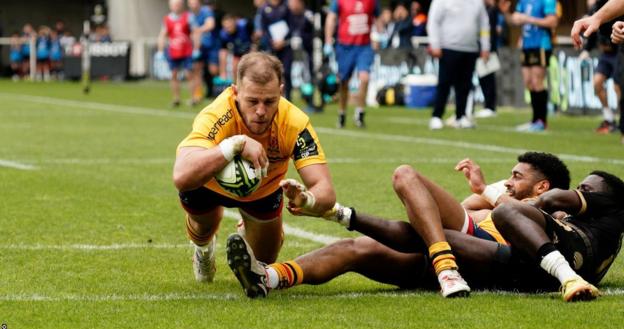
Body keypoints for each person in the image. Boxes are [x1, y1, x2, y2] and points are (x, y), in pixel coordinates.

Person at [226, 152, 572, 298]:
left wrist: (486, 191)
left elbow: (540, 232)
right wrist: (483, 195)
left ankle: (444, 265)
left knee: (406, 175)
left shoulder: (551, 208)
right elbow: (441, 214)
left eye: (517, 176)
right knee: (356, 250)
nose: (508, 181)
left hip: (489, 256)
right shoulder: (497, 198)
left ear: (542, 186)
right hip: (451, 251)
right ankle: (268, 278)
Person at [172, 52, 336, 287]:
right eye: (252, 101)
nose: (260, 110)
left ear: (281, 92)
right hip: (209, 185)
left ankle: (246, 231)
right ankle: (203, 249)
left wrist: (306, 199)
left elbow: (326, 191)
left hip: (263, 191)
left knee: (263, 260)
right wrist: (234, 145)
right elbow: (181, 175)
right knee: (203, 225)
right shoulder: (217, 114)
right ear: (236, 92)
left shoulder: (295, 123)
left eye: (269, 101)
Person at [492, 170, 624, 301]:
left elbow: (551, 198)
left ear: (605, 197)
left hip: (573, 259)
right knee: (470, 245)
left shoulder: (612, 206)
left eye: (585, 189)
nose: (578, 192)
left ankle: (569, 278)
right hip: (541, 268)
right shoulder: (587, 220)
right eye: (577, 188)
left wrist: (528, 208)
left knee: (504, 210)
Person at [427, 0, 490, 130]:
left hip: (470, 48)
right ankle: (437, 116)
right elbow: (433, 21)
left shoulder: (477, 2)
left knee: (465, 85)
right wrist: (435, 44)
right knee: (444, 83)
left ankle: (460, 116)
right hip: (448, 47)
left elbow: (484, 24)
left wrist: (485, 46)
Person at [500, 0, 558, 132]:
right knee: (528, 82)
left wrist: (528, 19)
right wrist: (506, 13)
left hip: (541, 44)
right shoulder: (523, 2)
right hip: (527, 45)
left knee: (537, 81)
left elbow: (552, 21)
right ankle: (534, 120)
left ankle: (541, 121)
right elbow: (515, 21)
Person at [324, 0, 380, 128]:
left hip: (364, 46)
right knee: (344, 82)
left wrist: (379, 35)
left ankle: (360, 113)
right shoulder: (340, 1)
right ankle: (342, 113)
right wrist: (328, 40)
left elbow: (377, 19)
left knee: (365, 77)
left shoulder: (371, 1)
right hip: (345, 47)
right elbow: (331, 18)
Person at [580, 0, 621, 134]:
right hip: (605, 54)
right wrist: (586, 50)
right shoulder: (595, 9)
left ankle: (622, 120)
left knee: (618, 87)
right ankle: (609, 118)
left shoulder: (615, 6)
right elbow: (592, 32)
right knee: (597, 82)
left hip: (618, 52)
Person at [157, 0, 197, 107]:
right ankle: (176, 99)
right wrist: (160, 51)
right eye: (174, 5)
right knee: (174, 75)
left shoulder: (188, 17)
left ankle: (193, 98)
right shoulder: (167, 19)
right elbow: (162, 35)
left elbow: (194, 32)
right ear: (170, 6)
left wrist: (197, 48)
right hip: (173, 51)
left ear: (182, 6)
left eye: (178, 4)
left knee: (189, 74)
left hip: (186, 50)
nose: (176, 7)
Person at [258, 0, 294, 100]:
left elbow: (292, 25)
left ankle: (288, 98)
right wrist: (271, 41)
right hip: (272, 46)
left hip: (285, 46)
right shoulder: (264, 8)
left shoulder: (286, 7)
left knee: (286, 72)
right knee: (272, 72)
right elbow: (264, 29)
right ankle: (273, 97)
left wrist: (283, 40)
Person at [474, 0, 502, 119]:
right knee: (483, 78)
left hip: (488, 50)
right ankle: (488, 106)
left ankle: (490, 107)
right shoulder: (486, 10)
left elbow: (490, 31)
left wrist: (487, 49)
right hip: (483, 48)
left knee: (488, 78)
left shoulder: (492, 10)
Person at [188, 0, 220, 102]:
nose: (193, 5)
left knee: (213, 70)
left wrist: (199, 30)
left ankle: (219, 93)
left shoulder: (206, 11)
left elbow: (210, 25)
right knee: (197, 70)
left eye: (195, 2)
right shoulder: (190, 16)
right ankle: (198, 95)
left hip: (211, 46)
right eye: (191, 3)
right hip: (199, 47)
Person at [219, 14, 253, 82]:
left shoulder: (245, 25)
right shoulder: (223, 34)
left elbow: (256, 32)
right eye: (226, 27)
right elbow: (223, 52)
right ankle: (237, 88)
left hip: (250, 52)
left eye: (230, 25)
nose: (228, 28)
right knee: (235, 69)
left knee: (251, 70)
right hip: (237, 53)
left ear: (235, 22)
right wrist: (222, 73)